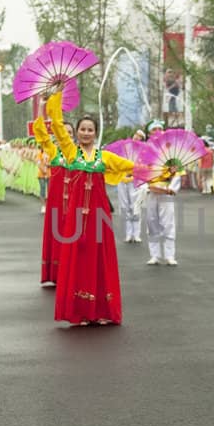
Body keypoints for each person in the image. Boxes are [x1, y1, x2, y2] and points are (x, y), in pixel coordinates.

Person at [46, 96, 134, 324]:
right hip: (75, 219)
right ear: (76, 133)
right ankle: (79, 310)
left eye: (90, 129)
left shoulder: (104, 157)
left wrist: (163, 169)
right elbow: (56, 124)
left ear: (95, 133)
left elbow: (133, 166)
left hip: (99, 217)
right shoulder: (70, 153)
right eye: (82, 129)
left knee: (99, 260)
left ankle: (100, 309)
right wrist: (57, 95)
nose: (86, 133)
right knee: (77, 260)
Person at [32, 106, 67, 286]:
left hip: (74, 202)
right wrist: (42, 106)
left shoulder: (80, 154)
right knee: (57, 235)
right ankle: (55, 272)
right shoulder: (53, 151)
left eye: (69, 132)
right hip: (56, 201)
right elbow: (40, 131)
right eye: (63, 131)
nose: (65, 134)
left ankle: (72, 271)